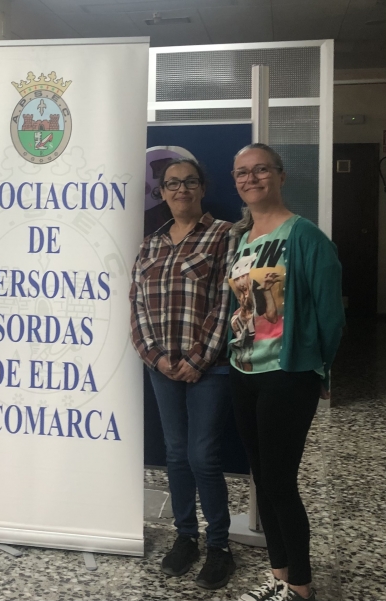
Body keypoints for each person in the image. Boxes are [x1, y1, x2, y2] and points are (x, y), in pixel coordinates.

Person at [227, 143, 344, 601]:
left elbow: (331, 316)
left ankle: (301, 586)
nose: (251, 178)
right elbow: (244, 306)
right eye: (242, 173)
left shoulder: (305, 236)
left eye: (260, 170)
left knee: (280, 482)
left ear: (280, 175)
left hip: (287, 372)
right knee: (262, 476)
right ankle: (279, 577)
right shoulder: (245, 238)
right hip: (244, 369)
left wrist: (320, 369)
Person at [130, 158, 236, 590]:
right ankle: (186, 537)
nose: (180, 190)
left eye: (189, 182)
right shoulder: (150, 243)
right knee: (175, 455)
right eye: (172, 184)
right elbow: (136, 305)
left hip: (208, 368)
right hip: (161, 367)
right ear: (162, 193)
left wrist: (198, 359)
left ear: (202, 187)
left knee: (203, 457)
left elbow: (228, 304)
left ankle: (219, 547)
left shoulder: (226, 235)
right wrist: (154, 356)